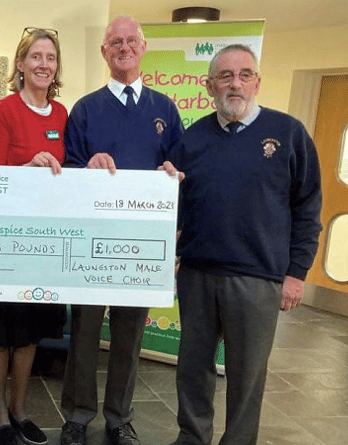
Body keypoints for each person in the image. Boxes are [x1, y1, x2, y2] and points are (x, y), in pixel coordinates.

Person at [169, 44, 322, 445]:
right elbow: (177, 202)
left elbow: (307, 207)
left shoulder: (289, 134)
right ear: (209, 86)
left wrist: (297, 273)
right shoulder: (193, 137)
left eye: (244, 74)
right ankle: (192, 436)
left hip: (258, 279)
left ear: (257, 82)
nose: (235, 84)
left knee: (247, 374)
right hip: (198, 274)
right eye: (225, 76)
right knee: (192, 367)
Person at [60, 16, 183, 445]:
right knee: (85, 333)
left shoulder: (166, 110)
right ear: (104, 52)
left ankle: (119, 418)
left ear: (143, 47)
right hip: (92, 242)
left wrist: (174, 175)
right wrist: (85, 165)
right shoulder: (86, 108)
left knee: (130, 336)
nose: (123, 47)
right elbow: (68, 171)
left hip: (143, 245)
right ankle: (77, 415)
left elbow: (179, 171)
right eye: (115, 42)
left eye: (131, 41)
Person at [0, 27, 67, 445]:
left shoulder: (62, 114)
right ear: (20, 64)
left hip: (44, 242)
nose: (43, 64)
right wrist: (27, 169)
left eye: (50, 58)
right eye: (35, 56)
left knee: (29, 333)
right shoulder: (3, 111)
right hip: (4, 241)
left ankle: (22, 409)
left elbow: (72, 172)